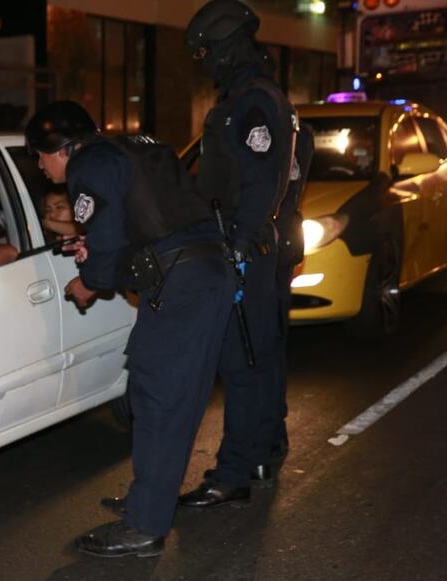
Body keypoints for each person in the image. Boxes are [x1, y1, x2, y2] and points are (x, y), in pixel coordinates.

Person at [25, 100, 235, 557]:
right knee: (165, 397)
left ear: (61, 148)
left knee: (159, 400)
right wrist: (98, 247)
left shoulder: (88, 164)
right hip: (206, 272)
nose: (40, 166)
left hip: (182, 285)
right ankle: (150, 502)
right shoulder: (129, 149)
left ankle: (144, 527)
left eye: (40, 155)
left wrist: (90, 282)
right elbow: (143, 221)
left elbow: (109, 247)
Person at [177, 0, 298, 508]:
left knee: (242, 359)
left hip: (245, 244)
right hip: (260, 242)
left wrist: (242, 244)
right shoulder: (262, 95)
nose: (204, 62)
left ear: (228, 46)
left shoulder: (251, 102)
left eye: (207, 51)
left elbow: (259, 179)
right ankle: (264, 450)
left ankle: (233, 474)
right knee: (262, 354)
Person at [254, 121, 314, 477]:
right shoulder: (292, 133)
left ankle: (270, 432)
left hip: (272, 251)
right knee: (267, 346)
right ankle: (270, 431)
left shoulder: (288, 134)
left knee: (267, 346)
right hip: (276, 248)